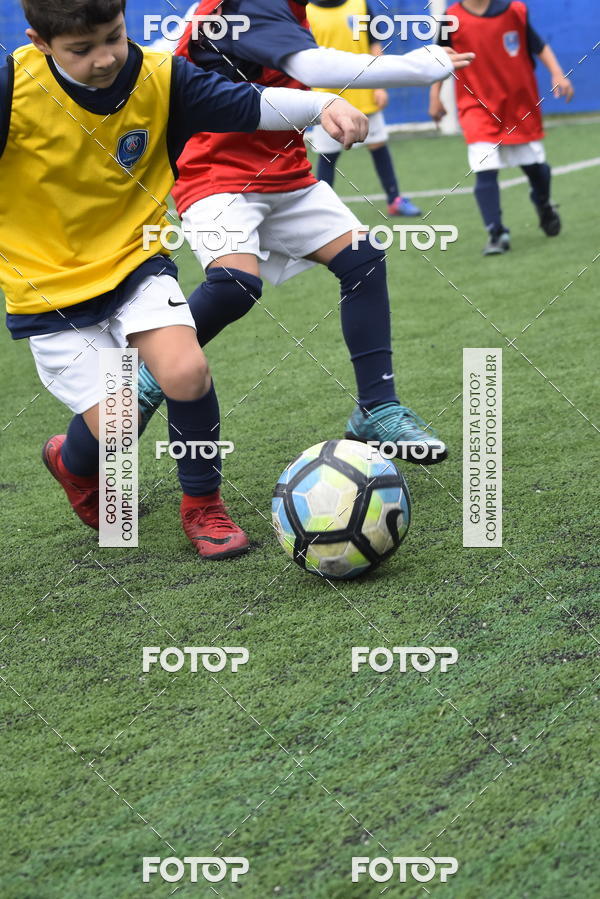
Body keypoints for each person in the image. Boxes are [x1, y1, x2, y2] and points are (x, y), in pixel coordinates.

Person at [0, 0, 368, 559]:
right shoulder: (13, 90)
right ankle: (72, 464)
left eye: (113, 37)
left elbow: (248, 104)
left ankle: (202, 504)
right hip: (49, 290)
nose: (105, 58)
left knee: (186, 371)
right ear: (40, 42)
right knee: (117, 424)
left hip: (135, 262)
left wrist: (322, 105)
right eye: (81, 49)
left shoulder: (160, 76)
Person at [138, 0, 474, 467]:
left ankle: (376, 410)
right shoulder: (249, 4)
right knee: (234, 285)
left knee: (363, 258)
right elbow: (312, 66)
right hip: (217, 173)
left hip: (286, 172)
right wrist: (420, 66)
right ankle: (146, 378)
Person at [429, 0, 574, 256]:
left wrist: (557, 73)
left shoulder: (515, 10)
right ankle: (496, 233)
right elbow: (439, 60)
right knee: (484, 167)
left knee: (535, 167)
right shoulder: (450, 18)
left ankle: (543, 203)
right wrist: (434, 96)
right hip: (476, 106)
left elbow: (538, 45)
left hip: (518, 106)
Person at [306, 0, 422, 217]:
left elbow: (374, 44)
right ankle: (320, 211)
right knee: (328, 156)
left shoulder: (359, 5)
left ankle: (394, 200)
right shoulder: (306, 11)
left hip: (363, 92)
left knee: (378, 146)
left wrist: (380, 85)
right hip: (326, 100)